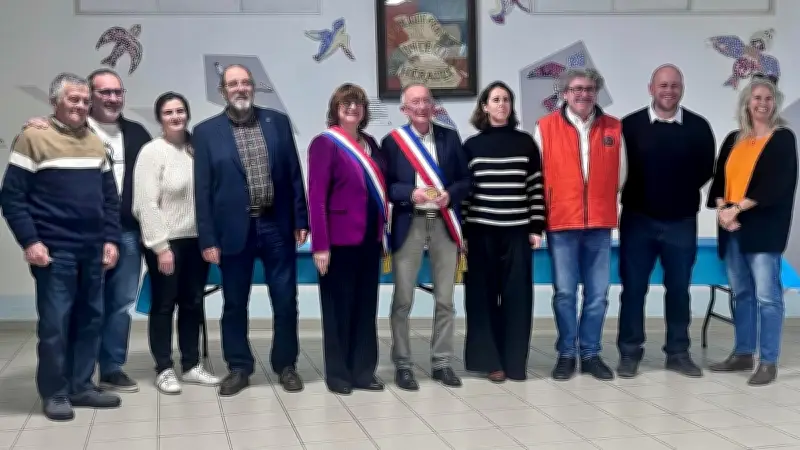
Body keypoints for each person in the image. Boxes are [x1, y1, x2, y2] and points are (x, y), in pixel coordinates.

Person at [21, 68, 152, 393]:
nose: (112, 98)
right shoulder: (59, 131)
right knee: (68, 313)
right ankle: (65, 382)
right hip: (70, 242)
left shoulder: (135, 133)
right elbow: (15, 193)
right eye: (103, 92)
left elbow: (133, 187)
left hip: (122, 234)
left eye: (117, 92)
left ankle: (108, 369)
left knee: (116, 305)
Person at [0, 73, 122, 421]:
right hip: (54, 252)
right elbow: (11, 197)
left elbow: (109, 199)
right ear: (55, 101)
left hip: (93, 250)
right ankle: (55, 392)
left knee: (90, 320)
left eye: (85, 101)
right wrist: (30, 241)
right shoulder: (33, 138)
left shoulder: (96, 142)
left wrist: (111, 240)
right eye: (74, 100)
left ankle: (81, 386)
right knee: (55, 324)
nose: (81, 106)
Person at [193, 64, 309, 396]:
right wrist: (208, 237)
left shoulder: (277, 122)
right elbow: (202, 191)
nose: (240, 88)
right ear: (222, 91)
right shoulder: (205, 132)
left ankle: (286, 365)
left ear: (253, 87)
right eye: (233, 84)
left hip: (276, 225)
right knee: (234, 303)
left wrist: (301, 219)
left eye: (245, 82)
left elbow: (293, 175)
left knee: (286, 300)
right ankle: (239, 367)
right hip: (233, 231)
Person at [616, 64, 716, 379]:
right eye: (663, 85)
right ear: (651, 88)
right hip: (637, 220)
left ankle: (678, 352)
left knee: (678, 289)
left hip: (681, 221)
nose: (668, 91)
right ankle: (630, 353)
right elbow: (617, 169)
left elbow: (705, 169)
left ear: (682, 89)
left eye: (674, 85)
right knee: (633, 289)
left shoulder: (698, 126)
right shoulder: (629, 126)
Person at [535, 68, 626, 381]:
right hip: (561, 223)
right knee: (565, 293)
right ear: (564, 93)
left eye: (588, 89)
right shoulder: (545, 127)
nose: (583, 94)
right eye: (576, 89)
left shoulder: (614, 127)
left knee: (598, 294)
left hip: (600, 223)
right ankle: (566, 353)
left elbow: (621, 175)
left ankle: (590, 353)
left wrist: (599, 199)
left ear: (596, 92)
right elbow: (537, 176)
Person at [707, 74, 798, 386]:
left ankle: (768, 361)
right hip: (730, 227)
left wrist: (737, 208)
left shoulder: (782, 139)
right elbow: (719, 179)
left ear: (775, 104)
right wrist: (722, 210)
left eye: (768, 98)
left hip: (762, 228)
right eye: (756, 98)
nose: (762, 103)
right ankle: (743, 353)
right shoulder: (733, 139)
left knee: (768, 296)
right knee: (741, 293)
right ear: (746, 103)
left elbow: (776, 184)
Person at [382, 83, 470, 391]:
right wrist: (411, 193)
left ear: (433, 106)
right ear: (404, 109)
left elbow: (465, 180)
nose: (421, 106)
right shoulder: (393, 143)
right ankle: (403, 364)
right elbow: (388, 187)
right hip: (411, 223)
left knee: (445, 299)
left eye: (426, 101)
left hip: (444, 224)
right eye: (415, 102)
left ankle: (442, 362)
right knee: (403, 299)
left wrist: (450, 195)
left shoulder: (450, 137)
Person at [132, 92, 222, 394]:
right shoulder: (152, 152)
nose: (175, 117)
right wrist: (160, 246)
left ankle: (192, 364)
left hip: (197, 242)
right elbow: (145, 203)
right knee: (163, 305)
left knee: (193, 304)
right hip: (166, 243)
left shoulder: (198, 149)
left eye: (180, 111)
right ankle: (164, 368)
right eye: (168, 112)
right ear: (160, 118)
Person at [461, 81, 544, 383]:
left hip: (517, 234)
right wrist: (464, 235)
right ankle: (490, 362)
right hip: (481, 234)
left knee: (517, 299)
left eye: (506, 99)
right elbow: (466, 194)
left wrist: (536, 227)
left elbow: (535, 189)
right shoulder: (471, 146)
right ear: (484, 106)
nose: (501, 105)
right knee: (482, 300)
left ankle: (514, 363)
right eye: (495, 100)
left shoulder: (525, 143)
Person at [307, 83, 386, 395]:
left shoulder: (371, 145)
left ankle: (364, 372)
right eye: (346, 105)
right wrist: (320, 246)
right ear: (336, 110)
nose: (353, 109)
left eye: (358, 105)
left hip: (370, 240)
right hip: (338, 242)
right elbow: (317, 198)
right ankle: (339, 375)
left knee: (366, 308)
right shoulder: (325, 144)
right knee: (338, 309)